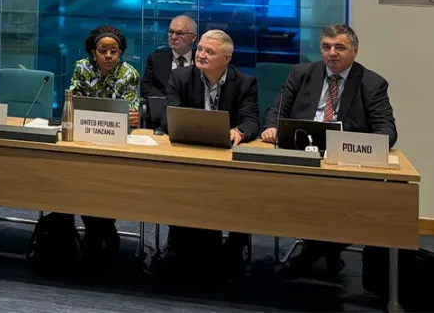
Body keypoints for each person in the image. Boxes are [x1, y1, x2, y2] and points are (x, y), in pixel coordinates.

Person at [262, 24, 397, 278]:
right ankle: (327, 248)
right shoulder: (301, 73)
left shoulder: (372, 83)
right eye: (326, 47)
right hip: (301, 154)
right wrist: (271, 128)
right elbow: (276, 111)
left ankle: (313, 252)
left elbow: (387, 131)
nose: (332, 53)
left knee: (358, 204)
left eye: (339, 47)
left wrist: (360, 146)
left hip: (344, 162)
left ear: (354, 51)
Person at [161, 29, 258, 276]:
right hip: (189, 153)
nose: (201, 55)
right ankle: (179, 240)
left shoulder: (245, 82)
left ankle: (234, 247)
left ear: (226, 59)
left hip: (227, 156)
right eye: (200, 49)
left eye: (209, 52)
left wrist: (239, 132)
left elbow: (251, 121)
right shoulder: (180, 77)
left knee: (245, 189)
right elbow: (167, 117)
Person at [68, 25, 140, 259]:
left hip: (116, 141)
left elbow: (131, 115)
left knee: (102, 180)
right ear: (93, 52)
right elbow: (73, 101)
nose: (109, 56)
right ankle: (103, 230)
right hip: (86, 135)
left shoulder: (129, 73)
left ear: (120, 53)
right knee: (80, 178)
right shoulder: (82, 68)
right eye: (103, 51)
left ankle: (96, 232)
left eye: (114, 51)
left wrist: (129, 116)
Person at [141, 15, 198, 105]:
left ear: (193, 37)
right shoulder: (156, 59)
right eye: (171, 32)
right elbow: (146, 88)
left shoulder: (201, 60)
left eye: (179, 33)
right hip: (163, 109)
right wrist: (170, 102)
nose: (173, 37)